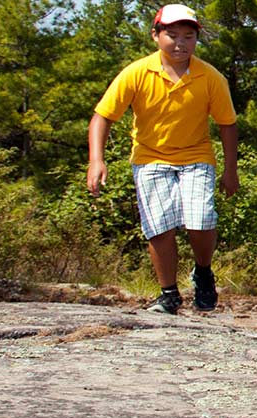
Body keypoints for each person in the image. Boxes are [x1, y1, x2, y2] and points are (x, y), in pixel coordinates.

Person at [87, 3, 240, 316]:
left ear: (196, 40)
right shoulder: (137, 73)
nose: (180, 43)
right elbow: (102, 117)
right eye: (172, 35)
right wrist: (96, 160)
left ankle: (203, 271)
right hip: (150, 157)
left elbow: (227, 124)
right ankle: (168, 294)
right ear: (156, 35)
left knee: (201, 219)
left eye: (188, 36)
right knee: (160, 227)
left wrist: (230, 170)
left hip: (196, 156)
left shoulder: (210, 77)